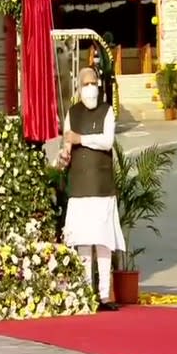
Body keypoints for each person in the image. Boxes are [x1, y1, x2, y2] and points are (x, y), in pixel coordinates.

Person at [57, 67, 126, 311]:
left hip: (101, 186)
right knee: (84, 242)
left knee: (103, 241)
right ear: (78, 88)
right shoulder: (72, 113)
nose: (90, 87)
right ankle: (87, 291)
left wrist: (81, 139)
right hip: (79, 186)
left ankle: (105, 294)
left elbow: (107, 141)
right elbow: (67, 142)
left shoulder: (107, 111)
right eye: (86, 83)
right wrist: (64, 155)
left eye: (93, 82)